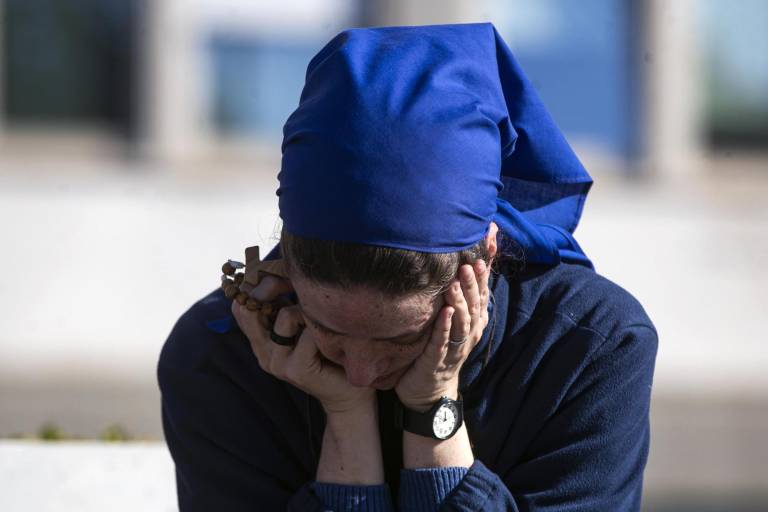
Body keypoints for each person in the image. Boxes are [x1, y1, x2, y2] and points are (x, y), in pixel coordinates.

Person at [158, 23, 658, 511]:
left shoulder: (587, 349)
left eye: (400, 339)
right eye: (328, 330)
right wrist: (347, 419)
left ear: (485, 257)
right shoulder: (218, 358)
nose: (360, 372)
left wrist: (433, 406)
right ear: (286, 259)